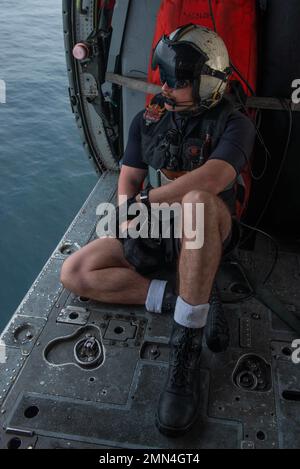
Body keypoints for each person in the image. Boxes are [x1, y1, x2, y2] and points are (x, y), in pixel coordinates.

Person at [60, 24, 255, 437]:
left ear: (207, 82)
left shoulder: (235, 124)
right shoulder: (149, 118)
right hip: (157, 223)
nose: (166, 87)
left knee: (198, 201)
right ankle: (177, 300)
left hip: (207, 225)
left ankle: (184, 352)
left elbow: (215, 176)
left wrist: (148, 203)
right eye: (163, 77)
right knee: (75, 273)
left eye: (177, 81)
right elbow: (129, 178)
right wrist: (128, 213)